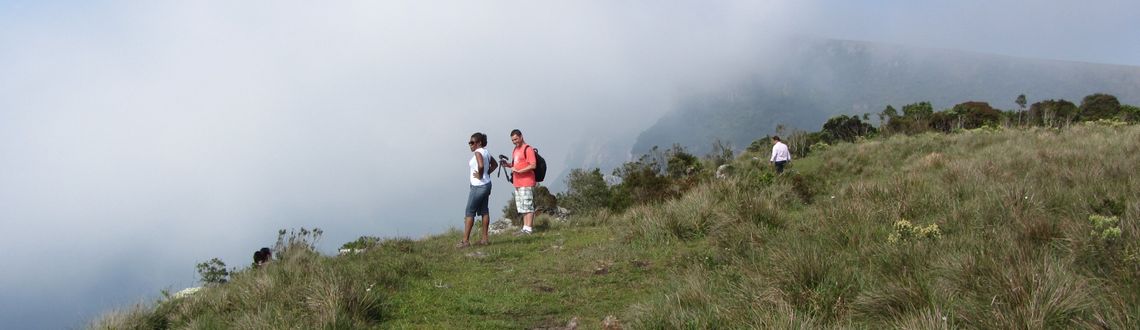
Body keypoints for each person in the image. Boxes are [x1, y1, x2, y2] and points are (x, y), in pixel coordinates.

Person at [460, 132, 496, 248]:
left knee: (469, 212)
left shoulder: (478, 152)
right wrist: (486, 174)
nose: (470, 144)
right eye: (469, 143)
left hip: (478, 186)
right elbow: (494, 165)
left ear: (479, 143)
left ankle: (465, 241)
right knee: (484, 211)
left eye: (472, 142)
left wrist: (480, 175)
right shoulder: (486, 152)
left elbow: (480, 165)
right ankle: (485, 239)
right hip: (487, 184)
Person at [501, 129, 537, 235]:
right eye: (513, 140)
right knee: (523, 206)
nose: (515, 141)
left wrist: (520, 171)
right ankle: (525, 228)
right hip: (517, 182)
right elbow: (515, 165)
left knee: (528, 205)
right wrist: (507, 165)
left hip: (526, 181)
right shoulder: (515, 150)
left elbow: (533, 165)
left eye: (516, 139)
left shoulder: (528, 149)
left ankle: (528, 229)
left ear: (521, 137)